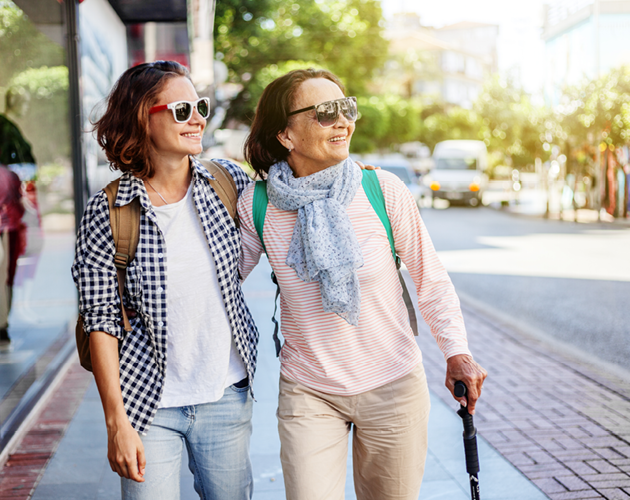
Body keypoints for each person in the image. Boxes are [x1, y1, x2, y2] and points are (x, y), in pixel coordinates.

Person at [238, 68, 487, 500]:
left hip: (393, 385)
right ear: (285, 136)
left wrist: (457, 351)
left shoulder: (382, 189)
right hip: (309, 390)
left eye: (346, 109)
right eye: (324, 113)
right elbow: (221, 278)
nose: (343, 122)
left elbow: (431, 279)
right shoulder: (258, 204)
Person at [71, 61, 259, 500]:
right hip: (146, 403)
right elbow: (101, 320)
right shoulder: (109, 210)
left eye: (200, 106)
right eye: (181, 110)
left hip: (226, 393)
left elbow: (285, 208)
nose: (197, 118)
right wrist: (116, 421)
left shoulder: (226, 181)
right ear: (143, 117)